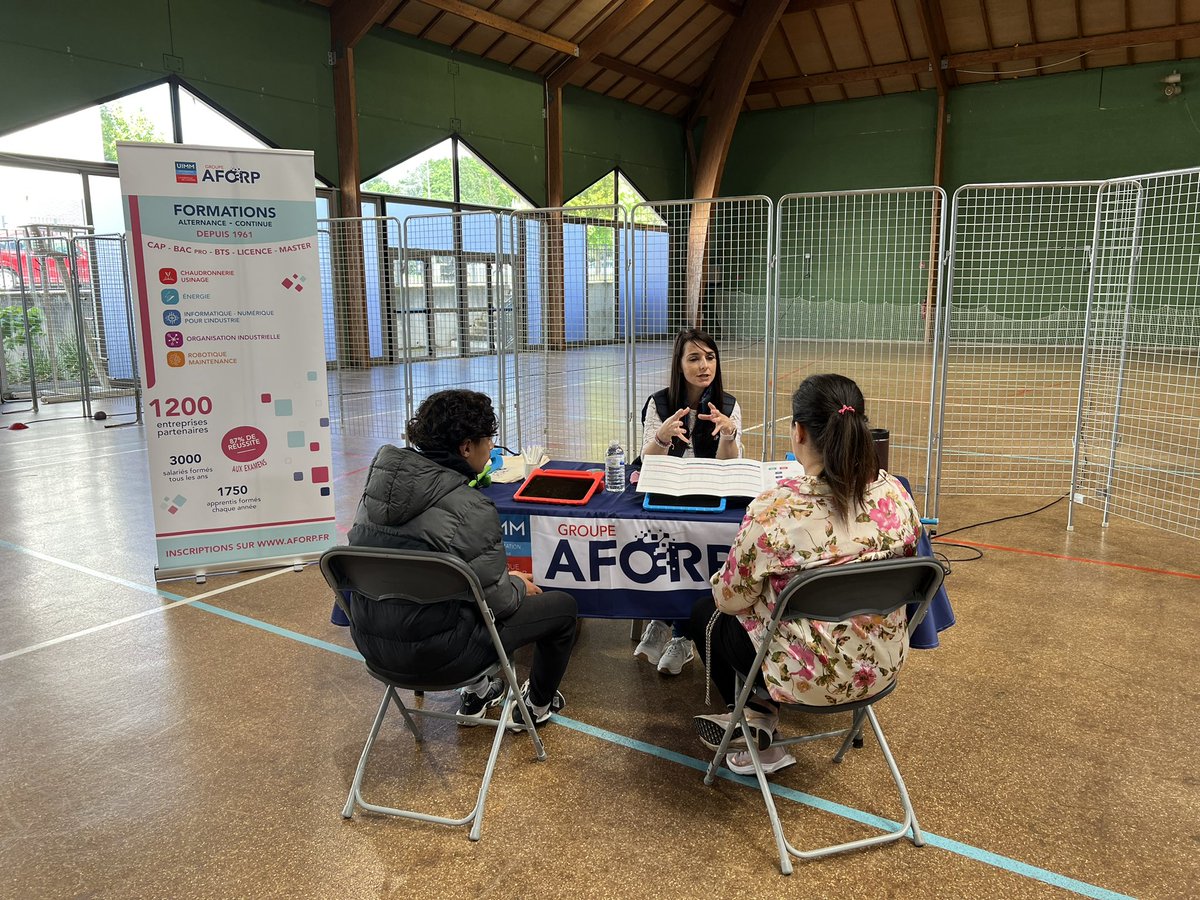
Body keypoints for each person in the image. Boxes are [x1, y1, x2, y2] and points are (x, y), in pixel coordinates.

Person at [690, 373, 921, 775]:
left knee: (703, 614)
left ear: (798, 432)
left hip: (804, 677)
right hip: (881, 667)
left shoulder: (775, 509)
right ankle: (759, 712)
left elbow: (729, 599)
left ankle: (754, 717)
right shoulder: (896, 494)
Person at [347, 389, 578, 731]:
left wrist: (487, 577)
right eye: (488, 441)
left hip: (374, 646)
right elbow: (499, 603)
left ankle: (479, 693)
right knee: (563, 609)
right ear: (466, 447)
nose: (492, 450)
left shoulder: (373, 492)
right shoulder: (471, 507)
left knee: (458, 593)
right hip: (445, 657)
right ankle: (536, 705)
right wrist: (514, 582)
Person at [634, 327, 744, 675]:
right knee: (661, 546)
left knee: (697, 551)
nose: (703, 365)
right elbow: (645, 458)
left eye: (709, 357)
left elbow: (732, 464)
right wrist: (662, 438)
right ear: (679, 364)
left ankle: (683, 635)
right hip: (668, 493)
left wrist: (728, 435)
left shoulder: (728, 405)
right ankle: (661, 620)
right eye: (694, 358)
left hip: (710, 498)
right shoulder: (659, 402)